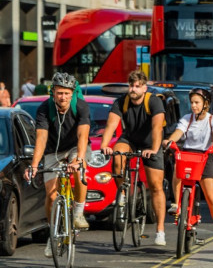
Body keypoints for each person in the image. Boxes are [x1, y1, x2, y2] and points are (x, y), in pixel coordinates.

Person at [26, 72, 91, 257]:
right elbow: (41, 137)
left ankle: (78, 212)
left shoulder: (81, 106)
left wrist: (78, 159)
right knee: (52, 195)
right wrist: (35, 164)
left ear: (72, 93)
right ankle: (53, 234)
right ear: (53, 92)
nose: (62, 97)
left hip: (75, 147)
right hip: (53, 150)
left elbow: (83, 135)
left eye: (66, 93)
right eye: (59, 92)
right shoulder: (44, 109)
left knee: (79, 171)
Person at [100, 70, 168, 246]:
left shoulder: (154, 101)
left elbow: (157, 127)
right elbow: (111, 124)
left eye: (137, 86)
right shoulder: (121, 102)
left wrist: (153, 149)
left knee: (155, 186)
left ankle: (160, 230)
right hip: (130, 139)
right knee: (117, 156)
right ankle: (123, 194)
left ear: (144, 88)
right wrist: (104, 145)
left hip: (150, 142)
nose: (133, 89)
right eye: (131, 85)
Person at [162, 88, 213, 242]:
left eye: (197, 102)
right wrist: (170, 141)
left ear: (206, 104)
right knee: (177, 171)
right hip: (188, 154)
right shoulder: (187, 118)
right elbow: (178, 132)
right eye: (192, 102)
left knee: (211, 197)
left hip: (206, 156)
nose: (193, 105)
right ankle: (177, 205)